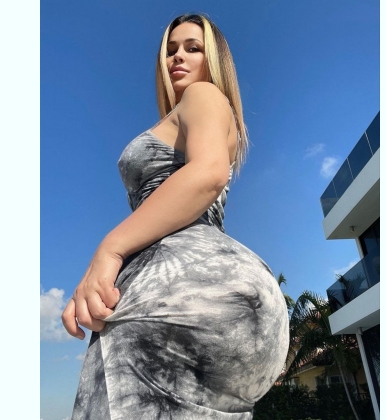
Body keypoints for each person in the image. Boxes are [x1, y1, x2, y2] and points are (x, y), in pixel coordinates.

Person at [62, 13, 289, 420]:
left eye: (192, 48)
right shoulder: (204, 112)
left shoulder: (202, 94)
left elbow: (208, 172)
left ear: (213, 61)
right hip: (247, 303)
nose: (177, 57)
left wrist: (110, 250)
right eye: (170, 50)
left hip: (181, 288)